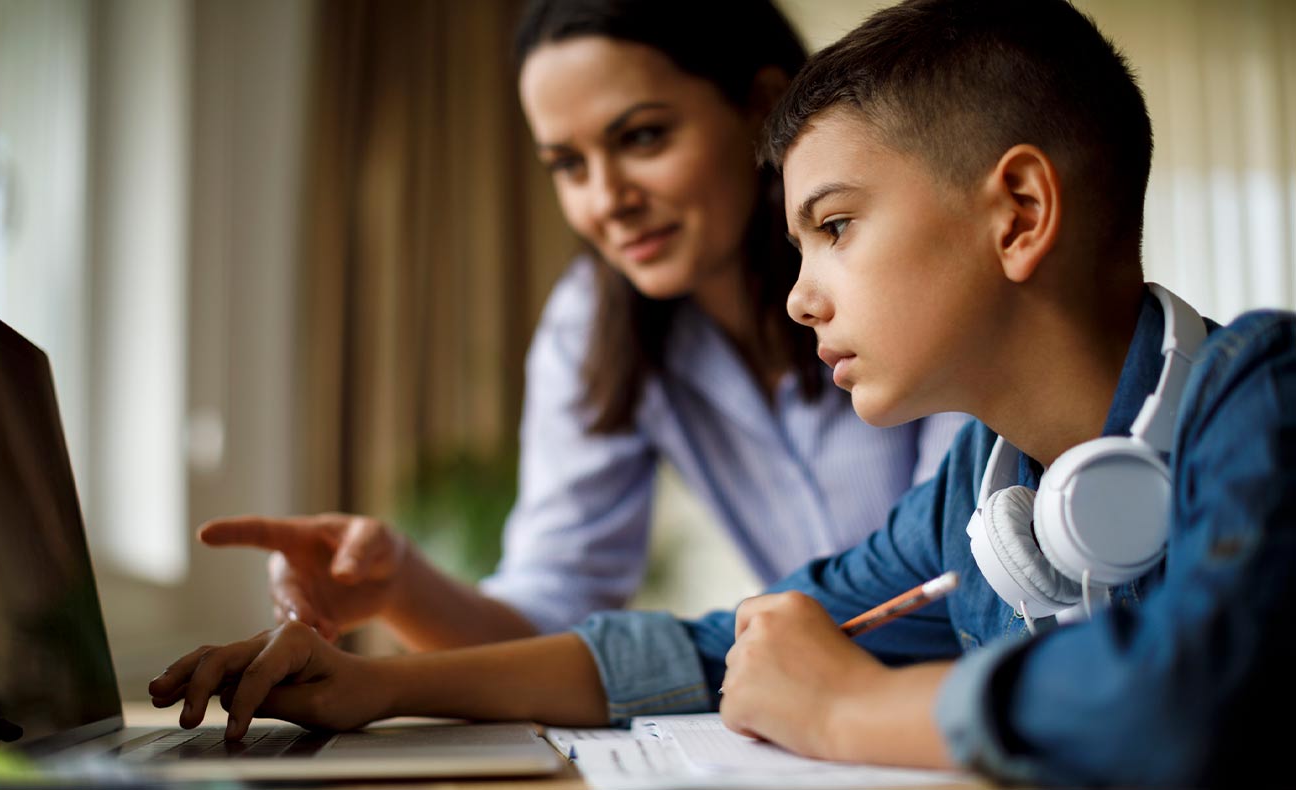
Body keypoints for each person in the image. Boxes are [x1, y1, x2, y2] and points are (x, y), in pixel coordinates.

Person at [149, 0, 1296, 784]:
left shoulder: (1261, 394)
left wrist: (843, 709)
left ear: (1017, 215)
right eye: (796, 244)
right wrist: (375, 687)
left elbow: (1185, 694)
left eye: (835, 228)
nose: (803, 300)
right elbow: (723, 647)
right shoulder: (974, 494)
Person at [196, 0, 964, 651]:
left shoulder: (905, 269)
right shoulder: (593, 323)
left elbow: (946, 569)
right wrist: (399, 583)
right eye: (567, 164)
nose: (606, 199)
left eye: (642, 138)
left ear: (762, 107)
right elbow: (553, 598)